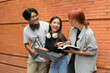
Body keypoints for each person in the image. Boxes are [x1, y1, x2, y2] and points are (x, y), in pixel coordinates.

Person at [57, 8, 98, 73]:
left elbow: (92, 52)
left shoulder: (89, 34)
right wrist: (64, 44)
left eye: (69, 19)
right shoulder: (73, 29)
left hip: (83, 66)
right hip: (71, 63)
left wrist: (74, 51)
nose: (69, 21)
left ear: (75, 20)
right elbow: (71, 40)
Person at [22, 8, 49, 73]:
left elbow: (51, 41)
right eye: (33, 17)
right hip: (33, 57)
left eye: (36, 15)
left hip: (44, 58)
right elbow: (26, 44)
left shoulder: (46, 25)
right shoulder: (26, 30)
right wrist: (32, 51)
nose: (36, 18)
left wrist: (48, 57)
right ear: (27, 19)